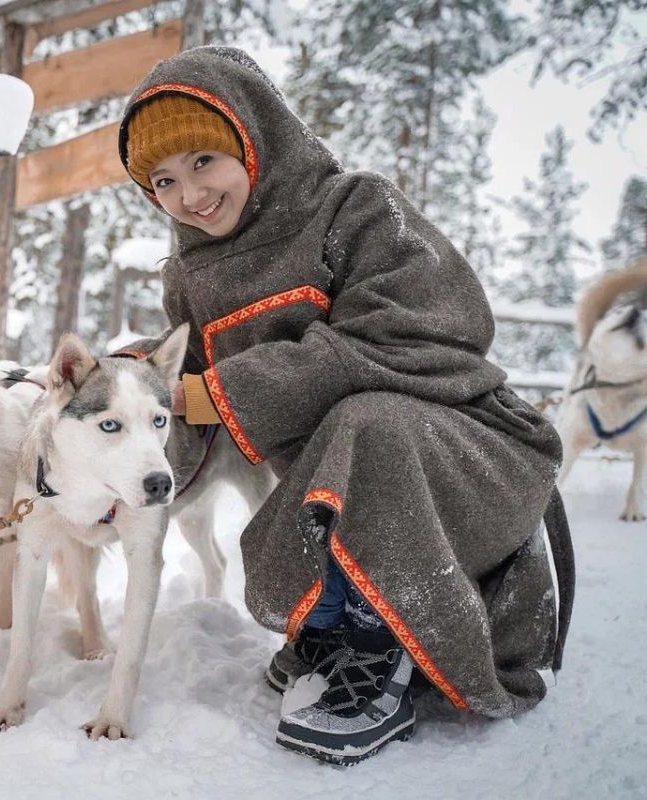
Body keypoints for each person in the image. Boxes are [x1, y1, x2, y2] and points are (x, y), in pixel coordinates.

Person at [114, 46, 574, 765]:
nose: (190, 195)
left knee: (369, 423)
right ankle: (333, 620)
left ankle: (374, 650)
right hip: (346, 485)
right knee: (349, 441)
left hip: (472, 460)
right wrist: (127, 384)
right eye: (164, 181)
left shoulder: (354, 207)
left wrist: (228, 391)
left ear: (254, 137)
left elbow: (418, 330)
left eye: (205, 160)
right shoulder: (193, 276)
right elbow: (190, 383)